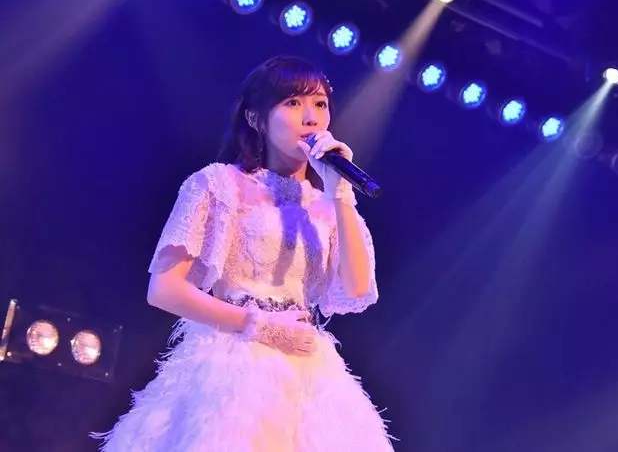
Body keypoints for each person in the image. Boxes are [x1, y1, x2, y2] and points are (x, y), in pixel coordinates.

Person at [90, 55, 395, 451]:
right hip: (233, 363)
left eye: (320, 104)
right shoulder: (217, 185)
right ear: (255, 118)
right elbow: (163, 289)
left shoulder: (328, 205)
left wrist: (340, 193)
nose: (311, 118)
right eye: (293, 103)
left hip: (309, 373)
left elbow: (356, 287)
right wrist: (259, 325)